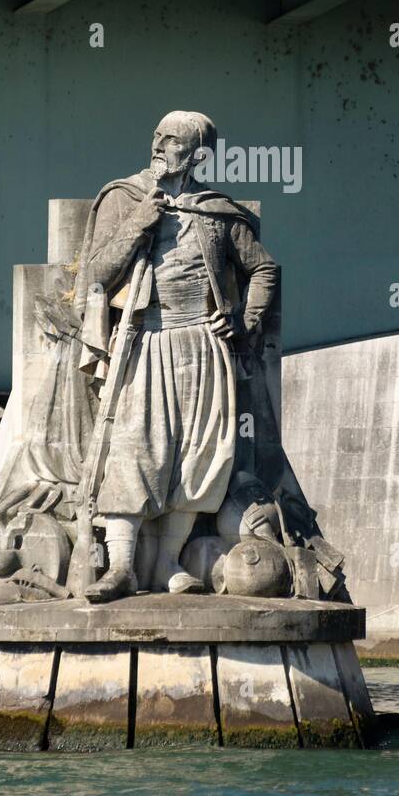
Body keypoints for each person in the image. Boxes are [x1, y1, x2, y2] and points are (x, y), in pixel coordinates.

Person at [75, 110, 278, 602]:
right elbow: (95, 274)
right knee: (134, 447)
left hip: (202, 348)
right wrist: (140, 222)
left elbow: (264, 269)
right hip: (143, 340)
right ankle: (121, 566)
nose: (160, 144)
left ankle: (168, 562)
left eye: (173, 140)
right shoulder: (123, 197)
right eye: (157, 136)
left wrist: (243, 321)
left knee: (197, 456)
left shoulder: (216, 211)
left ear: (197, 155)